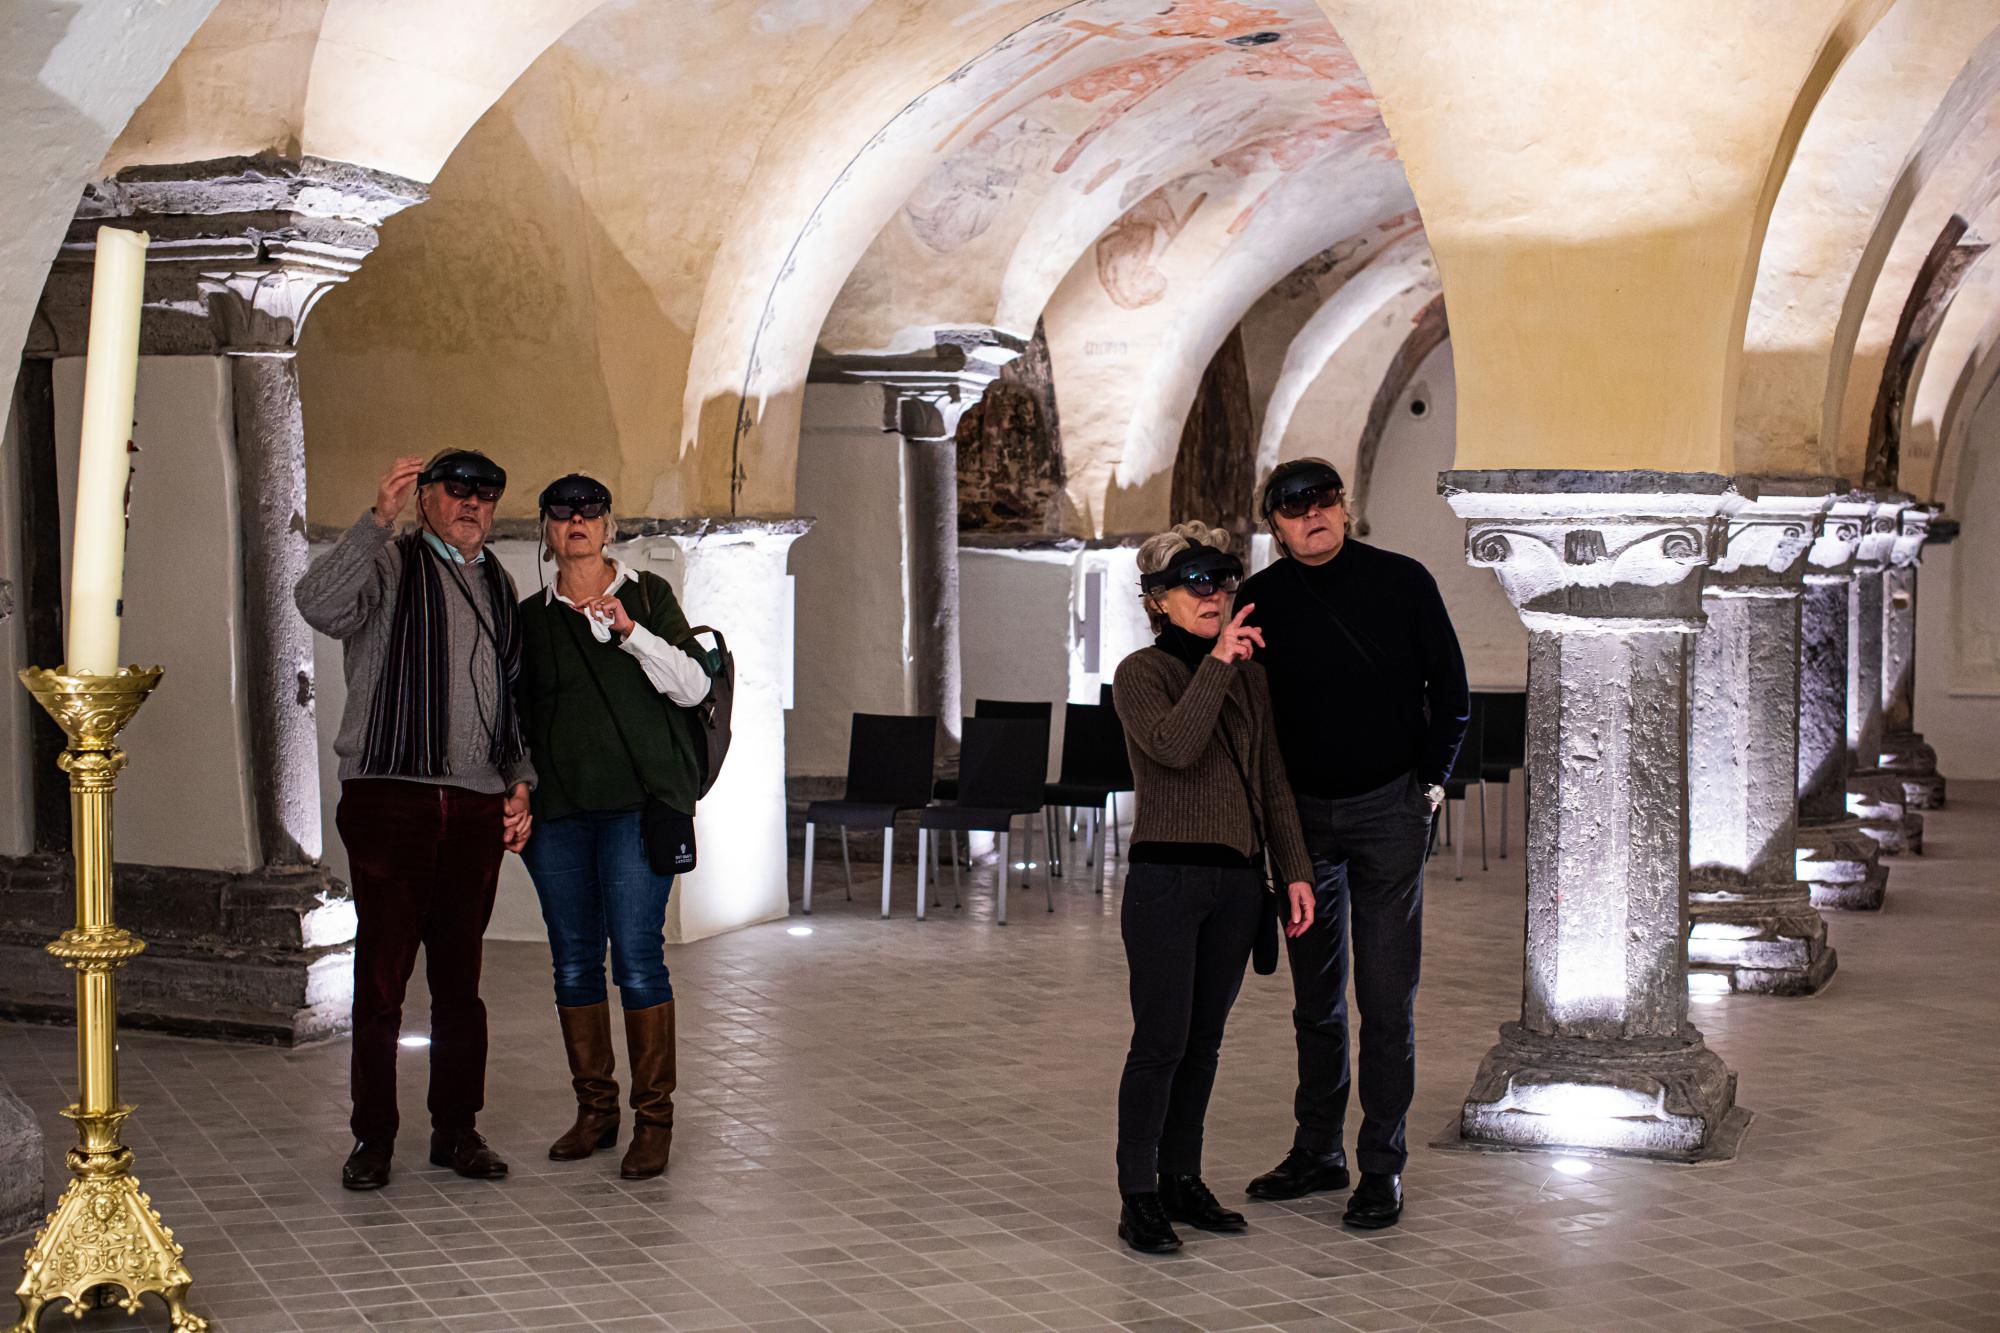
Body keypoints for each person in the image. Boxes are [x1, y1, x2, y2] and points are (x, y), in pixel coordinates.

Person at [296, 449, 536, 1191]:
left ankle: (456, 1130)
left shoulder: (499, 581)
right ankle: (372, 1137)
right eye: (456, 488)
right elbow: (317, 603)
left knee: (460, 980)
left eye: (485, 493)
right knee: (382, 980)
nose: (471, 503)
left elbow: (513, 696)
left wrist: (520, 781)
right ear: (425, 496)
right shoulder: (390, 564)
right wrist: (375, 521)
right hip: (390, 796)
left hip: (472, 802)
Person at [1238, 458, 1469, 1230]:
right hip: (1301, 821)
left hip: (1387, 811)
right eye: (1295, 508)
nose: (1314, 516)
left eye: (1325, 501)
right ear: (1274, 525)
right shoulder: (1260, 598)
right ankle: (1317, 1149)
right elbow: (1247, 713)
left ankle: (1381, 1163)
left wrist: (1426, 788)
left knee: (1386, 998)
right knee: (1315, 999)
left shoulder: (1402, 582)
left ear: (1346, 506)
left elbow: (1454, 696)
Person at [1109, 521, 1316, 1255]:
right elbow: (1173, 747)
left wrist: (1293, 869)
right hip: (1167, 879)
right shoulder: (1141, 673)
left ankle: (1182, 1178)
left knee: (1204, 1044)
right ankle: (1139, 1193)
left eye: (1225, 582)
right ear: (1159, 600)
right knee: (1160, 1041)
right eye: (1197, 584)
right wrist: (1220, 664)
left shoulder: (1249, 676)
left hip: (1236, 884)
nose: (1216, 595)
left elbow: (1271, 782)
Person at [516, 473, 713, 1181]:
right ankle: (595, 1110)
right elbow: (515, 718)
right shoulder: (530, 618)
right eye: (563, 512)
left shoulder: (648, 596)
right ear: (546, 527)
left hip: (637, 810)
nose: (576, 521)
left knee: (636, 958)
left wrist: (631, 633)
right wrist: (516, 790)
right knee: (573, 960)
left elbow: (694, 685)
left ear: (608, 526)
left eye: (589, 512)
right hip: (559, 818)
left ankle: (653, 1120)